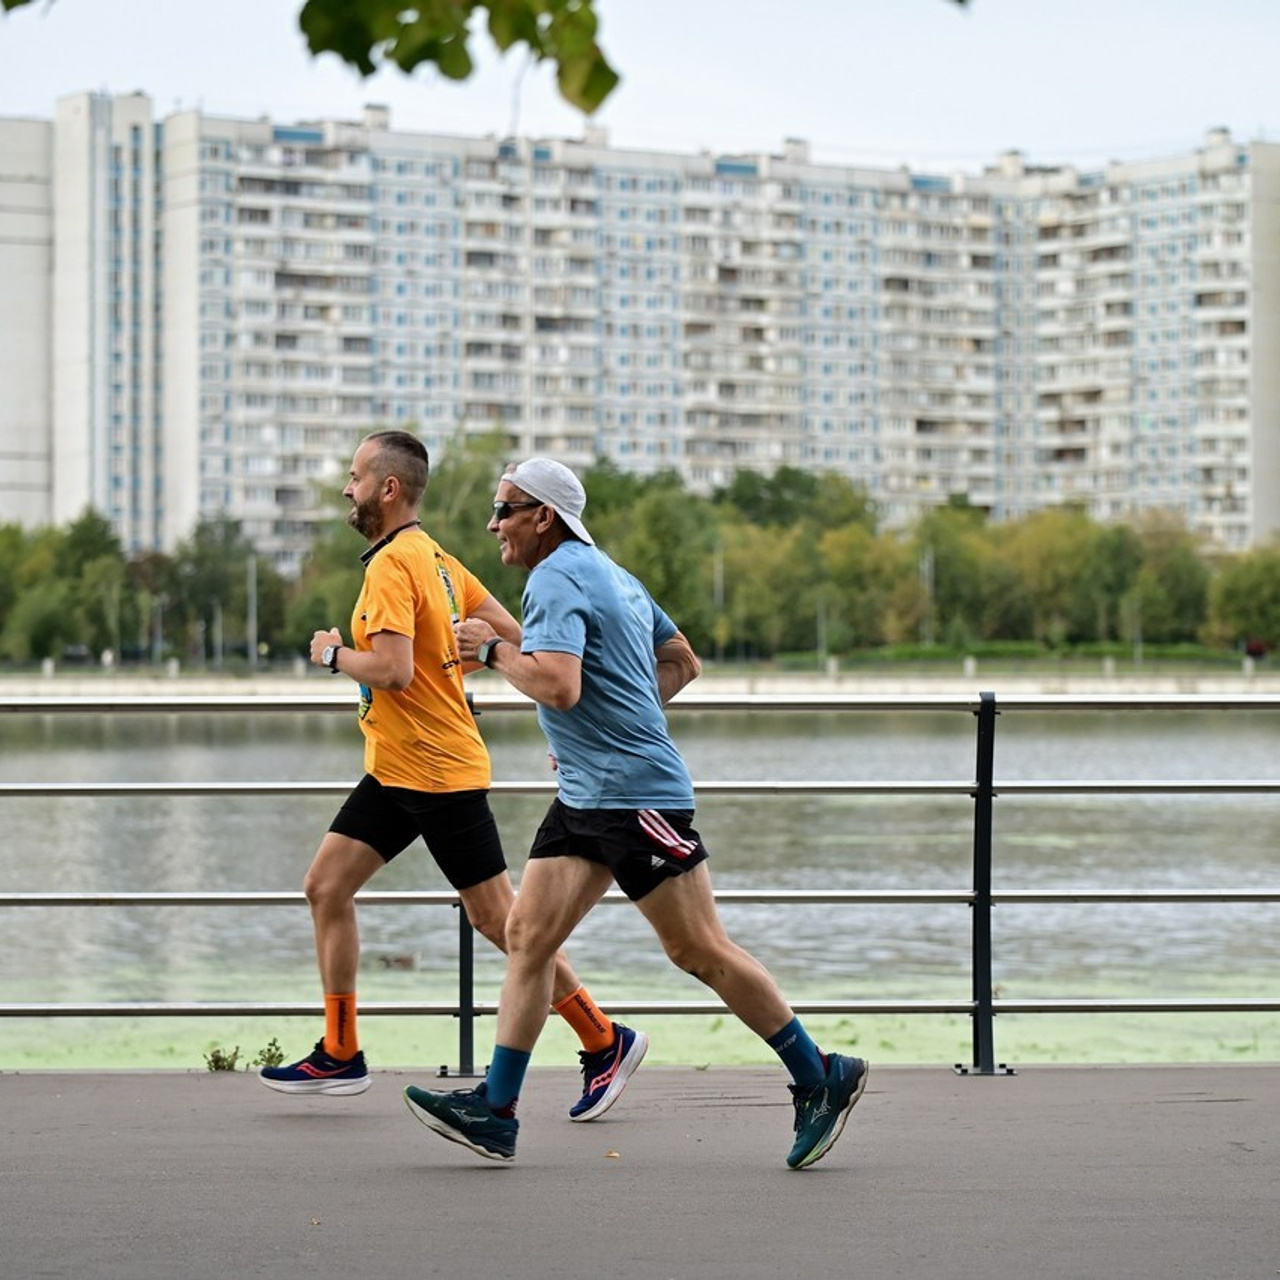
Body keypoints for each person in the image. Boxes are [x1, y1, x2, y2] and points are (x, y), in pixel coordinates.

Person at [402, 457, 867, 1168]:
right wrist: (612, 719)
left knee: (698, 949)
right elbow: (681, 660)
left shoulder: (553, 577)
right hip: (586, 795)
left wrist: (492, 649)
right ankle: (496, 1110)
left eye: (504, 510)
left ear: (543, 517)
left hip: (634, 798)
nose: (493, 525)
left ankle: (819, 1074)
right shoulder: (615, 574)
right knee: (527, 937)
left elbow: (558, 685)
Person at [259, 432, 647, 1122]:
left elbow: (392, 670)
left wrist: (331, 656)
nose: (347, 488)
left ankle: (602, 1038)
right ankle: (341, 1050)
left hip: (436, 774)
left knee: (501, 921)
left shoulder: (393, 565)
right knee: (326, 886)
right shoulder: (437, 560)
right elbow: (511, 634)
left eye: (355, 477)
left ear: (388, 489)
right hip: (395, 768)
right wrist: (452, 661)